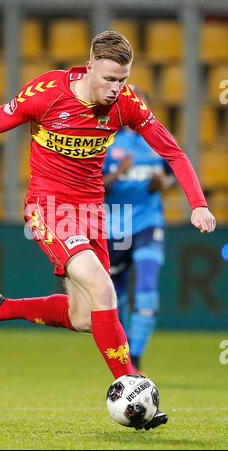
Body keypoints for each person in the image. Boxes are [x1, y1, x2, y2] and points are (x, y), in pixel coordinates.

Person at [0, 30, 216, 431]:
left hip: (92, 212)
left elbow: (172, 151)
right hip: (50, 208)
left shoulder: (126, 105)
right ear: (91, 65)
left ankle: (0, 308)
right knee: (104, 289)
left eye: (124, 80)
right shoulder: (46, 93)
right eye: (110, 79)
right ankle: (132, 386)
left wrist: (198, 203)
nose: (116, 89)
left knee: (83, 317)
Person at [103, 87, 176, 374]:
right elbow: (93, 185)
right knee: (114, 297)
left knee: (147, 290)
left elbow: (171, 177)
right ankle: (124, 358)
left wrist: (162, 185)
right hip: (115, 226)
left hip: (148, 223)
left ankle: (136, 358)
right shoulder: (104, 141)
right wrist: (118, 173)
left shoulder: (157, 139)